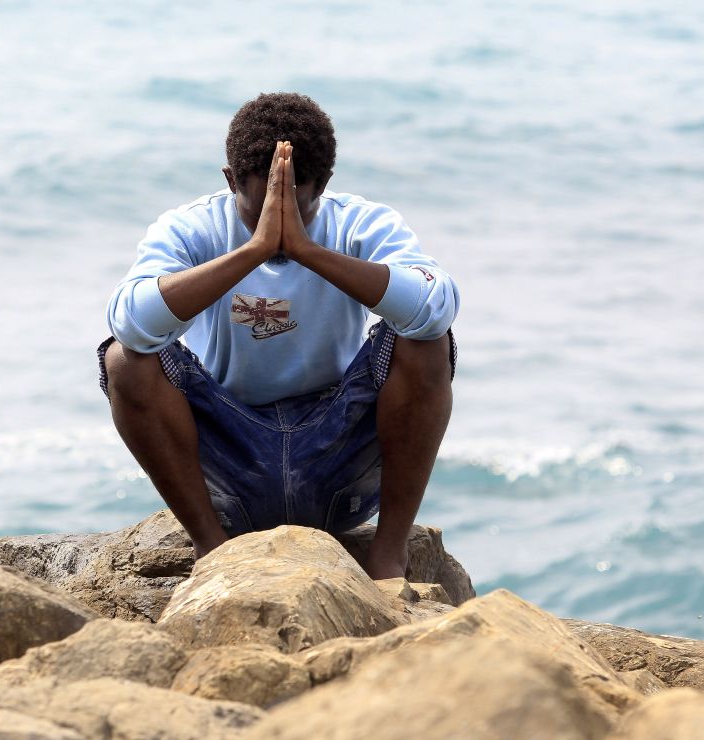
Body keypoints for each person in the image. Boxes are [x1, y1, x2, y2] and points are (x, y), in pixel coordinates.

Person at [97, 92, 458, 579]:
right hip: (232, 465)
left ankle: (388, 554)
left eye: (301, 208)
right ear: (230, 180)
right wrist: (254, 248)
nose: (281, 220)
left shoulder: (360, 223)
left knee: (427, 343)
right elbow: (129, 323)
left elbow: (435, 308)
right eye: (256, 205)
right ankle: (212, 546)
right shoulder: (192, 228)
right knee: (125, 360)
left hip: (336, 459)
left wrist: (308, 251)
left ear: (324, 184)